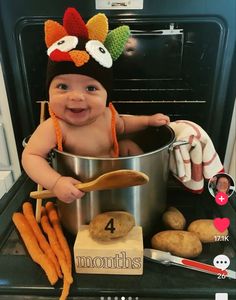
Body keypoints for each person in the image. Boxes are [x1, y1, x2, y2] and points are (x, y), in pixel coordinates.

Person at [22, 8, 170, 203]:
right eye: (63, 86)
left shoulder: (106, 114)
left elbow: (124, 125)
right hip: (82, 186)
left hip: (116, 174)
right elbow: (31, 156)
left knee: (128, 145)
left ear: (106, 95)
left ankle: (145, 186)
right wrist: (56, 183)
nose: (76, 97)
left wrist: (148, 121)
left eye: (90, 88)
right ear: (48, 91)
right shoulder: (54, 127)